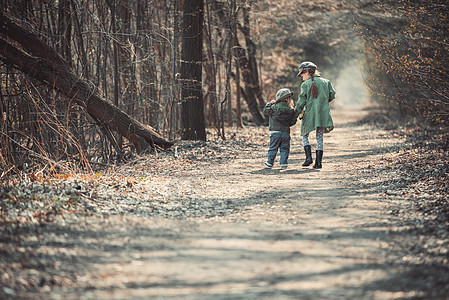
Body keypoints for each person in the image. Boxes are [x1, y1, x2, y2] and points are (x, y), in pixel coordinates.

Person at [295, 61, 336, 169]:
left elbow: (301, 102)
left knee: (304, 134)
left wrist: (295, 112)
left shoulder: (305, 85)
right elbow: (332, 95)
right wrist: (322, 103)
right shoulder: (326, 82)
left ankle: (308, 158)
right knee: (320, 137)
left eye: (302, 74)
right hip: (322, 114)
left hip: (309, 114)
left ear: (308, 72)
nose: (301, 76)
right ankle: (318, 163)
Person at [263, 88, 299, 170]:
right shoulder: (291, 110)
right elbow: (292, 122)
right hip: (286, 133)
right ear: (288, 99)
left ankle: (270, 162)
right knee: (285, 149)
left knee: (273, 148)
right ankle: (283, 163)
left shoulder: (272, 107)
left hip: (275, 133)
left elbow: (265, 111)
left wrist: (269, 103)